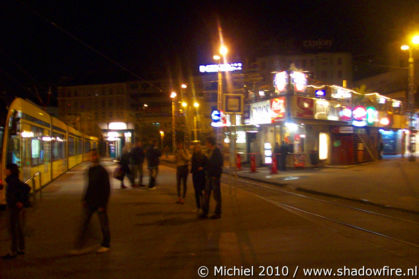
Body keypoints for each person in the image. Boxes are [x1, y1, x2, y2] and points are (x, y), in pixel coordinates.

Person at [71, 149, 111, 254]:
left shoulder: (102, 171)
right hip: (89, 201)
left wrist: (103, 204)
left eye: (94, 155)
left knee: (104, 225)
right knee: (84, 223)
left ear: (97, 157)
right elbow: (89, 186)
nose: (92, 157)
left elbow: (106, 189)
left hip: (99, 202)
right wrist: (84, 198)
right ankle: (79, 246)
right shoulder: (89, 170)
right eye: (91, 156)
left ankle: (106, 244)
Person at [2, 164, 29, 259]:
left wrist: (20, 201)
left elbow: (25, 188)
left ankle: (13, 251)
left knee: (12, 229)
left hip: (13, 208)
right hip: (15, 207)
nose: (5, 170)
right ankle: (21, 248)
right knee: (18, 228)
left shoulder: (12, 181)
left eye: (6, 169)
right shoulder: (13, 180)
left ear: (10, 171)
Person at [200, 137, 223, 219]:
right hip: (208, 176)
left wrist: (215, 175)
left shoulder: (217, 152)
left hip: (214, 177)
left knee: (216, 196)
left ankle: (217, 213)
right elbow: (206, 163)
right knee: (206, 195)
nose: (206, 144)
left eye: (207, 143)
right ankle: (205, 212)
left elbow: (218, 165)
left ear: (210, 143)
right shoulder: (208, 152)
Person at [191, 144, 207, 213]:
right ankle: (198, 207)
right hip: (195, 175)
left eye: (197, 148)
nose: (196, 149)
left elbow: (206, 165)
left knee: (200, 192)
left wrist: (202, 168)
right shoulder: (194, 156)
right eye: (195, 148)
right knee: (197, 192)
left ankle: (202, 207)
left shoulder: (203, 156)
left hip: (200, 176)